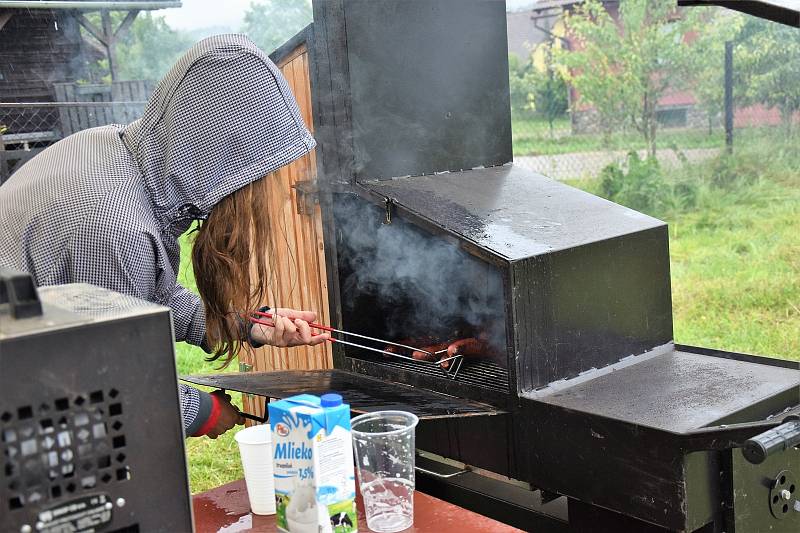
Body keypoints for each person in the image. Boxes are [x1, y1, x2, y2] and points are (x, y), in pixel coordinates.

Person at [0, 34, 329, 439]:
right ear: (222, 158)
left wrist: (245, 324)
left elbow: (132, 299)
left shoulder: (112, 151)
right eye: (262, 175)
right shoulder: (113, 222)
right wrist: (205, 412)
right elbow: (109, 384)